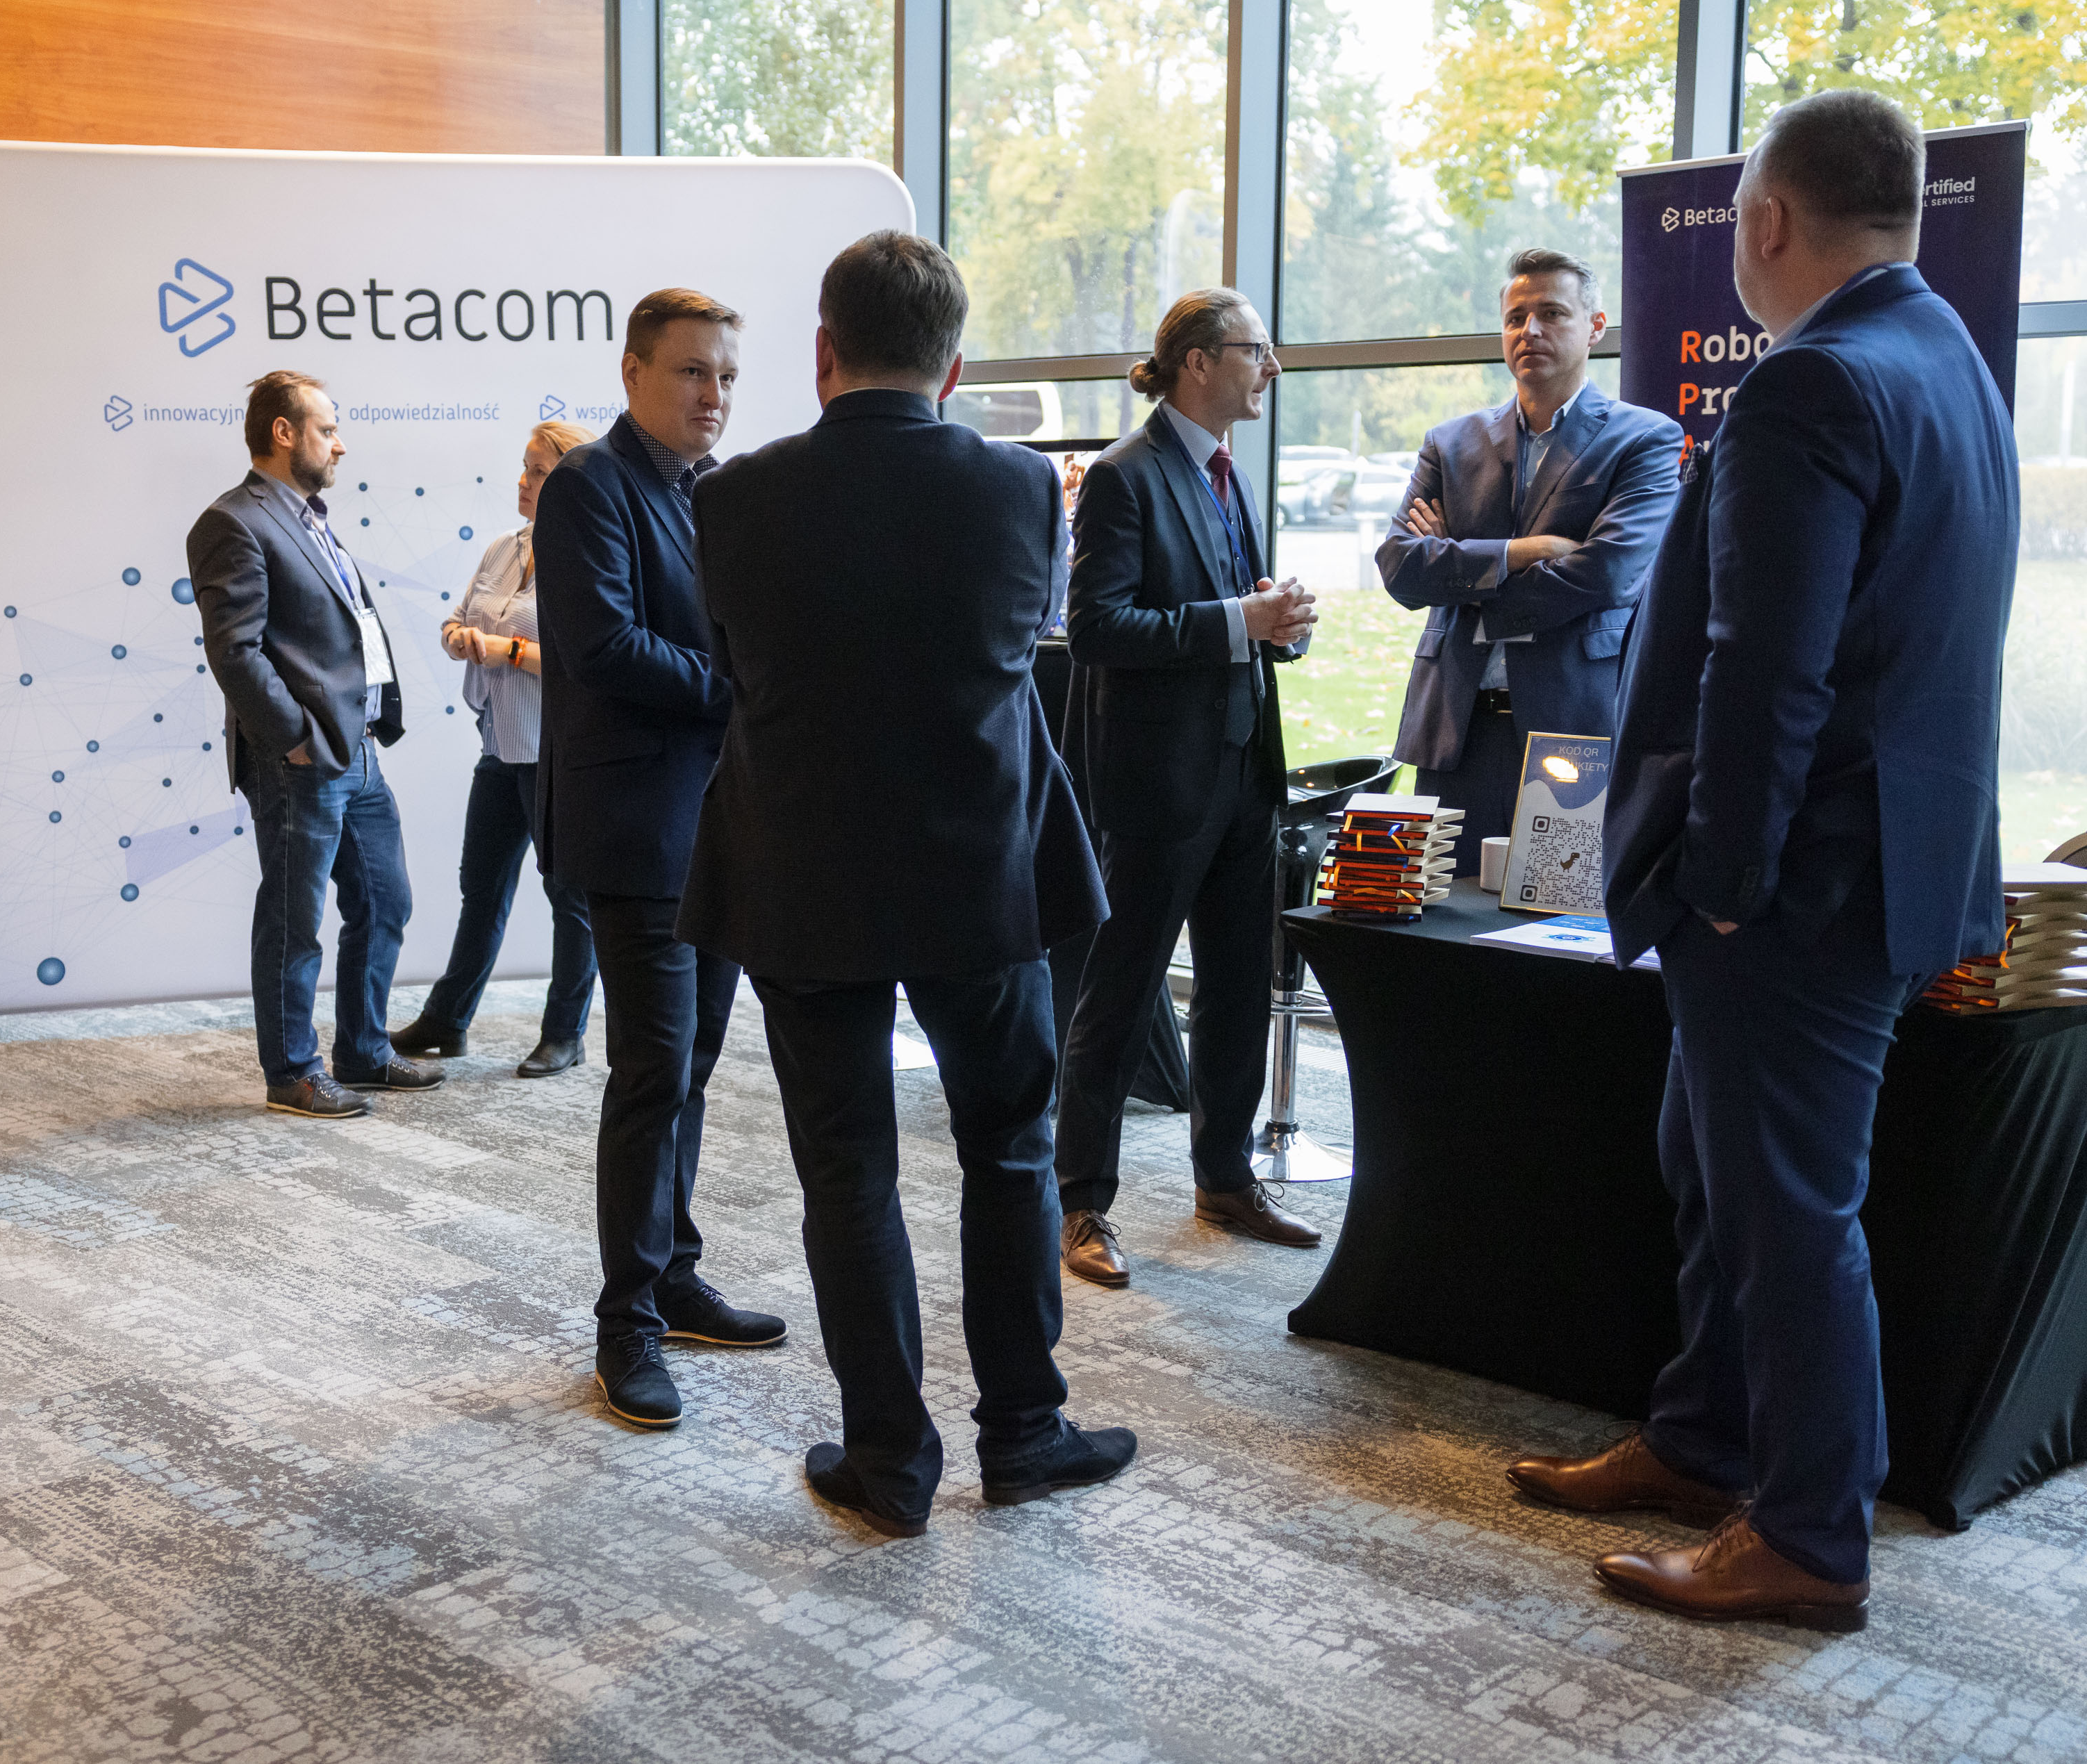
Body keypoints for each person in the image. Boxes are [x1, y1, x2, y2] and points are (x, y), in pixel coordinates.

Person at [1516, 90, 2018, 1631]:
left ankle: (1806, 1534)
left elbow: (1765, 667)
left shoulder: (1811, 380)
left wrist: (1723, 879)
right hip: (1888, 860)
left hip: (1796, 882)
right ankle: (1703, 1437)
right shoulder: (1948, 359)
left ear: (1766, 219)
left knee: (1789, 1207)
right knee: (1713, 1158)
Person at [682, 229, 1130, 1537]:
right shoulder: (1021, 488)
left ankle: (888, 1459)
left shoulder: (732, 497)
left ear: (823, 350)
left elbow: (736, 667)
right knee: (1011, 1151)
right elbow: (1018, 645)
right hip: (977, 877)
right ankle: (1025, 1433)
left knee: (847, 1173)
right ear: (955, 365)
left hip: (802, 878)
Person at [533, 288, 788, 1430]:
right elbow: (604, 648)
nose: (713, 394)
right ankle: (626, 1324)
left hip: (721, 820)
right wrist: (745, 689)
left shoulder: (717, 490)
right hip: (638, 827)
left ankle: (675, 1278)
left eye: (726, 375)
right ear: (633, 372)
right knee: (653, 1071)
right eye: (692, 371)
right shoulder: (591, 485)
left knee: (692, 1065)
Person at [1054, 289, 1321, 1288]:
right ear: (1200, 362)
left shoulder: (1224, 471)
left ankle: (1225, 1180)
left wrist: (1277, 626)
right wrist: (1236, 622)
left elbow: (1230, 610)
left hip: (1245, 774)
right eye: (1258, 350)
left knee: (1238, 988)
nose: (1272, 368)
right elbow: (1097, 629)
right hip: (1158, 787)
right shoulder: (1124, 476)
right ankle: (1081, 1203)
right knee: (1120, 998)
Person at [186, 372, 444, 1119]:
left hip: (357, 751)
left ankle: (362, 1051)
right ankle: (293, 1074)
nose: (340, 444)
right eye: (328, 429)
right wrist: (295, 739)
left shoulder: (310, 520)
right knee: (294, 922)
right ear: (284, 432)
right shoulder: (233, 522)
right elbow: (235, 652)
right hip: (301, 761)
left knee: (386, 902)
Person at [1375, 249, 1682, 852]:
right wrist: (1524, 551)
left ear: (1595, 327)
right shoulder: (1450, 443)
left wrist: (1462, 573)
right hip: (1455, 732)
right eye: (1516, 318)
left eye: (1552, 314)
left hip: (1573, 729)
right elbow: (1400, 569)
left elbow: (1607, 572)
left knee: (1557, 905)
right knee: (1446, 904)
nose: (1530, 331)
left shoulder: (1644, 439)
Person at [388, 422, 600, 1078]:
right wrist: (457, 637)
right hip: (499, 744)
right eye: (524, 467)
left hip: (556, 751)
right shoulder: (504, 548)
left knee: (570, 898)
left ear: (568, 482)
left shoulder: (592, 553)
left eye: (537, 471)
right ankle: (447, 1020)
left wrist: (506, 649)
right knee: (480, 888)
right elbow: (458, 617)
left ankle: (564, 1033)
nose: (522, 481)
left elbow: (586, 661)